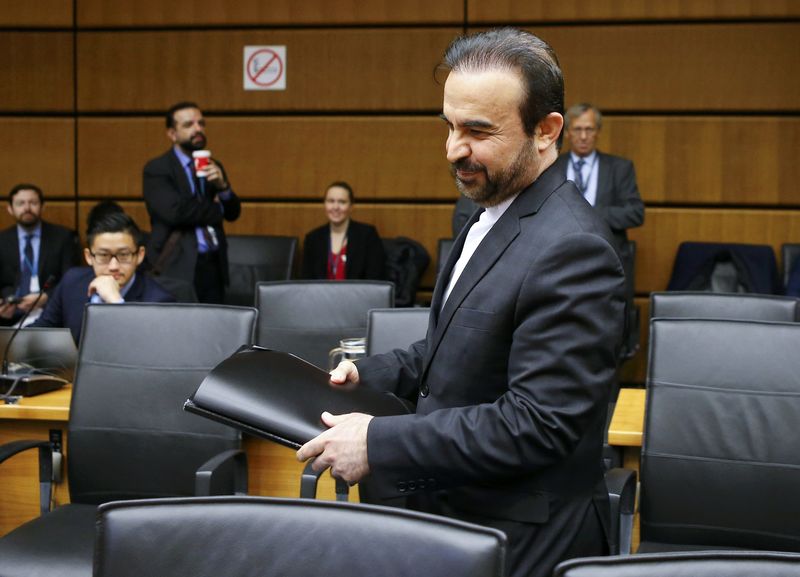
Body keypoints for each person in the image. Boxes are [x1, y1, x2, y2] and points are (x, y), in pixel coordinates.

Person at [296, 28, 626, 577]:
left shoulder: (574, 247)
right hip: (450, 511)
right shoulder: (488, 206)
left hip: (515, 537)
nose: (454, 149)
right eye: (449, 126)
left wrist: (379, 440)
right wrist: (367, 373)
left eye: (477, 130)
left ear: (546, 131)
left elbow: (538, 423)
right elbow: (456, 344)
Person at [142, 101, 241, 303]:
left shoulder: (213, 165)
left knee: (215, 326)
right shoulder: (157, 169)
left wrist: (223, 187)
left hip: (213, 263)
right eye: (188, 125)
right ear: (172, 134)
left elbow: (233, 213)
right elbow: (175, 212)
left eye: (201, 123)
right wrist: (216, 207)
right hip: (177, 264)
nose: (198, 129)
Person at [32, 210, 175, 344]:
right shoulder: (72, 281)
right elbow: (41, 331)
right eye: (103, 255)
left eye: (123, 255)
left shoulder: (159, 301)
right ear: (89, 257)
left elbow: (149, 352)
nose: (113, 266)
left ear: (139, 255)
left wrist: (116, 301)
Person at [553, 103, 644, 252]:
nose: (583, 136)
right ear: (567, 132)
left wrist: (590, 212)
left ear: (598, 132)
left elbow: (635, 213)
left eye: (589, 129)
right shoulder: (553, 166)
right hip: (562, 250)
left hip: (608, 252)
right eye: (577, 129)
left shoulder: (619, 168)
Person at [0, 183, 78, 325]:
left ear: (43, 206)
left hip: (49, 312)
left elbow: (71, 279)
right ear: (10, 209)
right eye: (20, 203)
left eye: (33, 203)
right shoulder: (2, 240)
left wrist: (47, 297)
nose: (27, 208)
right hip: (8, 315)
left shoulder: (63, 237)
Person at [302, 181, 385, 280]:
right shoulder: (313, 239)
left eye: (342, 202)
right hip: (321, 295)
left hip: (357, 295)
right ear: (324, 204)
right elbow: (306, 283)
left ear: (351, 206)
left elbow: (375, 280)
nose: (336, 207)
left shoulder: (367, 236)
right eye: (331, 201)